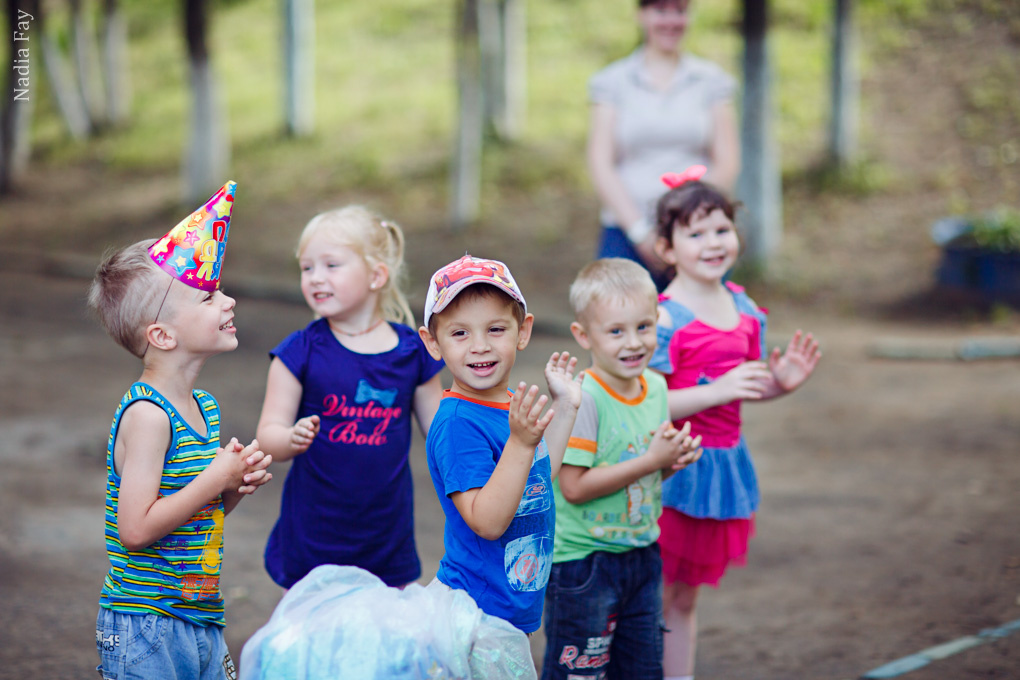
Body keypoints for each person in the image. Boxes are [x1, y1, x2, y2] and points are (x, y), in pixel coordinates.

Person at [88, 181, 274, 680]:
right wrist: (217, 477)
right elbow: (136, 530)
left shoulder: (203, 409)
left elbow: (193, 516)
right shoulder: (147, 416)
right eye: (210, 296)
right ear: (163, 335)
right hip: (143, 624)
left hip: (198, 617)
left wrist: (230, 488)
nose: (228, 301)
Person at [649, 168, 821, 680]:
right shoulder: (661, 318)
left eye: (721, 229)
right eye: (695, 233)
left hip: (720, 471)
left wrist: (781, 383)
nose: (712, 242)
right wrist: (715, 390)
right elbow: (645, 402)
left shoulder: (746, 311)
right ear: (667, 248)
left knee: (683, 599)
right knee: (645, 596)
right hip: (668, 468)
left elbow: (746, 388)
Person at [257, 206, 444, 590]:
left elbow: (442, 433)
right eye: (307, 268)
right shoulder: (300, 351)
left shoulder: (412, 352)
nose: (315, 278)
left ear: (377, 275)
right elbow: (267, 436)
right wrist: (289, 439)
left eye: (331, 265)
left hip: (385, 535)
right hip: (315, 532)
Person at [541, 258, 703, 680]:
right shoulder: (585, 398)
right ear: (583, 335)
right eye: (616, 331)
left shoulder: (658, 388)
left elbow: (642, 475)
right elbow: (574, 487)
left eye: (643, 327)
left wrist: (670, 462)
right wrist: (651, 460)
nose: (633, 343)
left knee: (642, 670)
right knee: (580, 673)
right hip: (585, 562)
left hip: (642, 553)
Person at [417, 254, 583, 635]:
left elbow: (537, 476)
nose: (479, 346)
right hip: (476, 615)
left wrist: (566, 408)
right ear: (433, 342)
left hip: (503, 608)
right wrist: (521, 444)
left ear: (522, 332)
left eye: (495, 329)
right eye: (460, 333)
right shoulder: (458, 423)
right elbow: (487, 522)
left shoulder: (505, 403)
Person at [587, 0, 740, 290]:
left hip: (698, 237)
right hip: (626, 233)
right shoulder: (611, 82)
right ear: (641, 15)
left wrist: (689, 229)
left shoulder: (713, 81)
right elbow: (601, 163)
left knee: (698, 331)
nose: (671, 21)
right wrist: (641, 233)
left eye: (679, 11)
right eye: (660, 10)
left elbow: (727, 162)